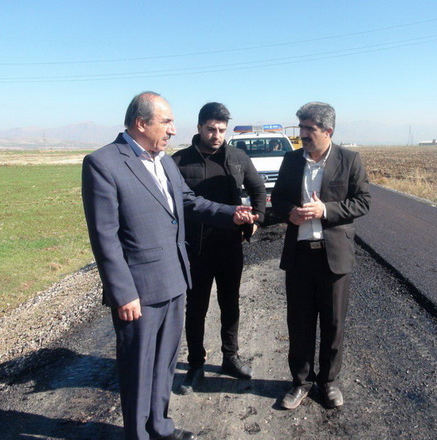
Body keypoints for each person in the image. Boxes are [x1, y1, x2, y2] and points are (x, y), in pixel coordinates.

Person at [81, 92, 257, 440]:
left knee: (163, 366)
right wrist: (122, 293)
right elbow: (105, 236)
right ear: (141, 123)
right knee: (138, 371)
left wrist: (230, 214)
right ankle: (138, 434)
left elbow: (189, 202)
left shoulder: (163, 162)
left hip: (175, 280)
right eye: (167, 122)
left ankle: (160, 427)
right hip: (140, 293)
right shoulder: (103, 163)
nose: (174, 130)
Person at [271, 102, 371, 410]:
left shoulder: (349, 160)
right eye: (301, 128)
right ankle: (300, 382)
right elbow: (278, 198)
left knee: (332, 324)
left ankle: (329, 382)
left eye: (308, 129)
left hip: (334, 257)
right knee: (299, 324)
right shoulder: (290, 160)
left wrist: (325, 210)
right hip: (300, 256)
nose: (302, 134)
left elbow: (363, 201)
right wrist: (291, 213)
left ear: (328, 131)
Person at [171, 102, 266, 393]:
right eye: (211, 129)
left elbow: (258, 189)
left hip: (229, 246)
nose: (216, 135)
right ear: (199, 128)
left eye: (221, 130)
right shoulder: (179, 161)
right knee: (196, 307)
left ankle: (230, 357)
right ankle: (196, 364)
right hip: (195, 249)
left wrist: (256, 221)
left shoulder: (237, 158)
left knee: (230, 302)